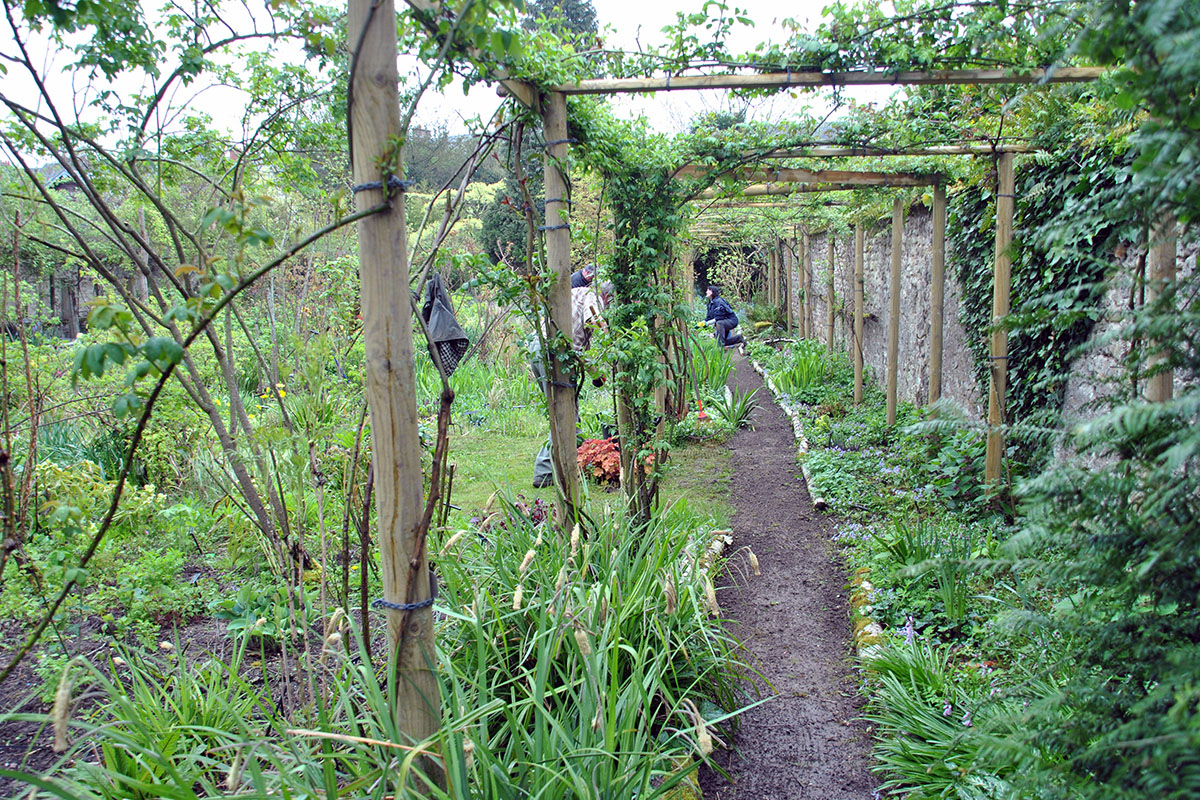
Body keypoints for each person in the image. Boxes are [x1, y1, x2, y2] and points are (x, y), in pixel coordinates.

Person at [531, 281, 612, 487]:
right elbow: (593, 320)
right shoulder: (593, 296)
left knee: (564, 410)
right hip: (557, 355)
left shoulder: (574, 292)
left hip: (537, 347)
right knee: (564, 412)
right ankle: (545, 470)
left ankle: (578, 457)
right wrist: (597, 372)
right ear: (607, 297)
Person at [703, 284, 745, 354]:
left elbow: (719, 317)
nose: (706, 292)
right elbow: (709, 317)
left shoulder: (719, 301)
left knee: (719, 323)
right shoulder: (710, 303)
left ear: (712, 292)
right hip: (723, 322)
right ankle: (738, 338)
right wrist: (701, 323)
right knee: (722, 340)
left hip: (731, 321)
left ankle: (720, 347)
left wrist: (707, 323)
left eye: (708, 290)